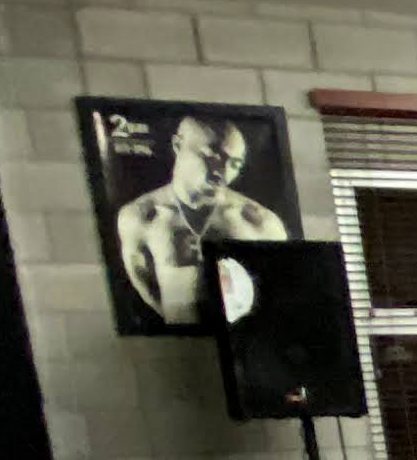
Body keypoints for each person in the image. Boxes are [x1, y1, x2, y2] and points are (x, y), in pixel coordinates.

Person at [111, 112, 288, 329]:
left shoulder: (259, 222)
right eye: (213, 157)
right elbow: (144, 284)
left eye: (234, 163)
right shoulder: (140, 216)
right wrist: (182, 322)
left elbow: (278, 292)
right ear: (178, 145)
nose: (222, 173)